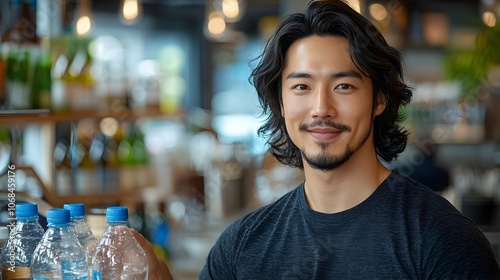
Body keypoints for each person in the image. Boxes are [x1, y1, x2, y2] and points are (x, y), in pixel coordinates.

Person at [138, 0, 500, 279]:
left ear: (378, 99)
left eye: (343, 86)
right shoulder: (242, 247)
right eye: (301, 87)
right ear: (281, 102)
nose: (321, 108)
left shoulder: (442, 241)